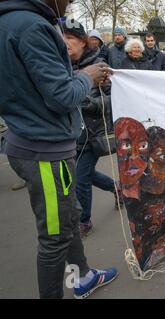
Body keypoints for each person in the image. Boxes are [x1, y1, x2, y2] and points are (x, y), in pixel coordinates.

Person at [0, 0, 117, 299]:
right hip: (44, 152)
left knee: (69, 218)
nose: (69, 1)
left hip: (35, 142)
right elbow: (63, 96)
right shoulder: (31, 26)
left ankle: (84, 276)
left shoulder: (13, 22)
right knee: (54, 237)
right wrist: (86, 76)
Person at [62, 20, 120, 238]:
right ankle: (117, 188)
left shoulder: (100, 66)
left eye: (70, 39)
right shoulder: (63, 66)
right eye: (63, 39)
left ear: (83, 42)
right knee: (84, 174)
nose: (65, 43)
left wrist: (91, 103)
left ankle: (84, 221)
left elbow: (112, 99)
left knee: (80, 177)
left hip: (93, 135)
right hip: (72, 133)